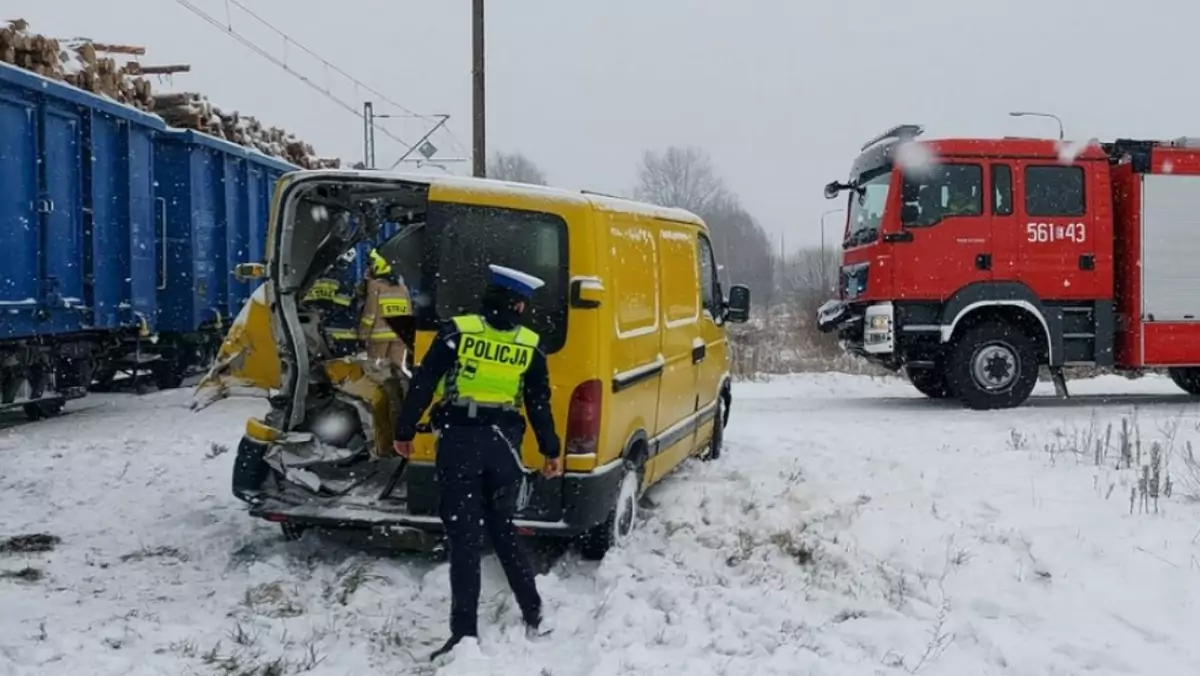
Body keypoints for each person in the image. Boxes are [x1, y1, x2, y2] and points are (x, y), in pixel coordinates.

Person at [392, 263, 562, 660]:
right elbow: (538, 403)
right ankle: (534, 611)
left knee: (465, 539)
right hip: (504, 447)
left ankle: (464, 634)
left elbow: (424, 382)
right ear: (517, 303)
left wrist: (404, 430)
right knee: (504, 529)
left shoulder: (458, 332)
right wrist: (551, 450)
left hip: (460, 443)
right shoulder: (530, 344)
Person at [358, 248, 413, 418]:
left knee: (375, 372)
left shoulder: (375, 286)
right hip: (399, 337)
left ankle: (380, 407)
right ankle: (402, 402)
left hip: (378, 337)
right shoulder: (403, 288)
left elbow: (370, 314)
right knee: (397, 370)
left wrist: (362, 334)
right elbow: (409, 313)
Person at [300, 249, 359, 358]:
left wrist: (319, 312)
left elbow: (306, 302)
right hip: (340, 332)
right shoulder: (343, 278)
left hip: (326, 333)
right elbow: (342, 305)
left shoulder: (314, 277)